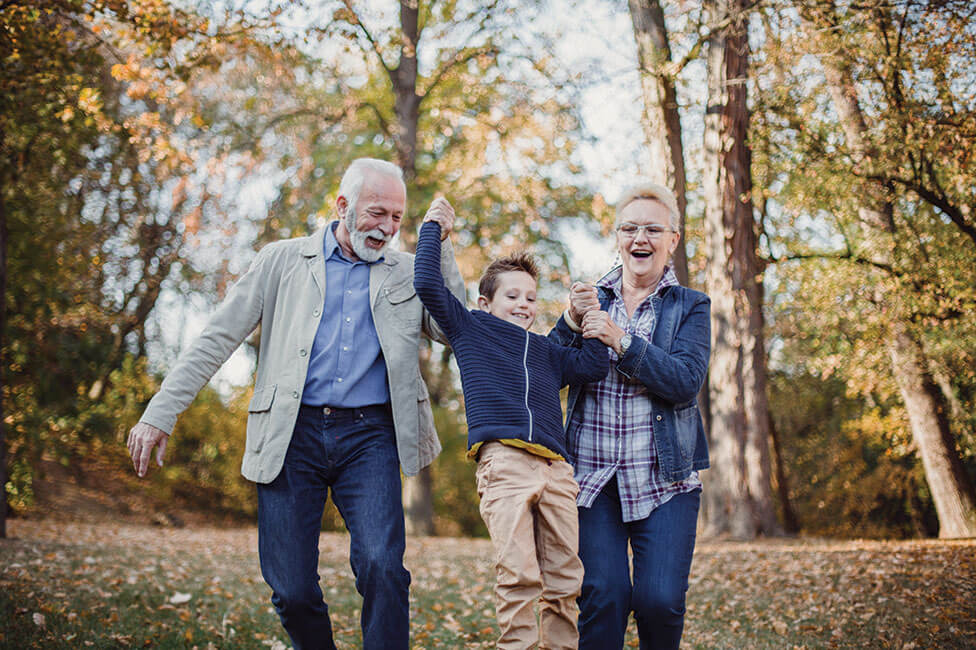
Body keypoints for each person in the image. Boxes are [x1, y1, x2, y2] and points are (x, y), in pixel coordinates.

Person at [125, 158, 465, 650]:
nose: (387, 228)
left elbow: (457, 330)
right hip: (292, 432)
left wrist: (441, 247)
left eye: (397, 217)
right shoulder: (281, 261)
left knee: (383, 565)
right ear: (342, 206)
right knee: (290, 586)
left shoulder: (409, 272)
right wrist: (161, 411)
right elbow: (216, 337)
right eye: (377, 213)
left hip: (370, 435)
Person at [413, 215, 609, 649]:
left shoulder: (547, 350)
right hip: (504, 463)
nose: (523, 304)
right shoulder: (471, 329)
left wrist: (590, 316)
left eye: (531, 297)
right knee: (519, 573)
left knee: (564, 578)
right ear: (486, 303)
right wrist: (434, 226)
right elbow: (427, 283)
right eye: (513, 295)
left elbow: (593, 367)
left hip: (556, 470)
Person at [548, 181, 711, 649]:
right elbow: (547, 372)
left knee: (660, 601)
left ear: (672, 239)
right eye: (630, 228)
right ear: (617, 236)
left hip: (665, 481)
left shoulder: (690, 306)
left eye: (653, 229)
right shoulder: (591, 298)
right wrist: (569, 323)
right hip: (593, 480)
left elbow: (684, 382)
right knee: (604, 595)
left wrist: (622, 341)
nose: (641, 238)